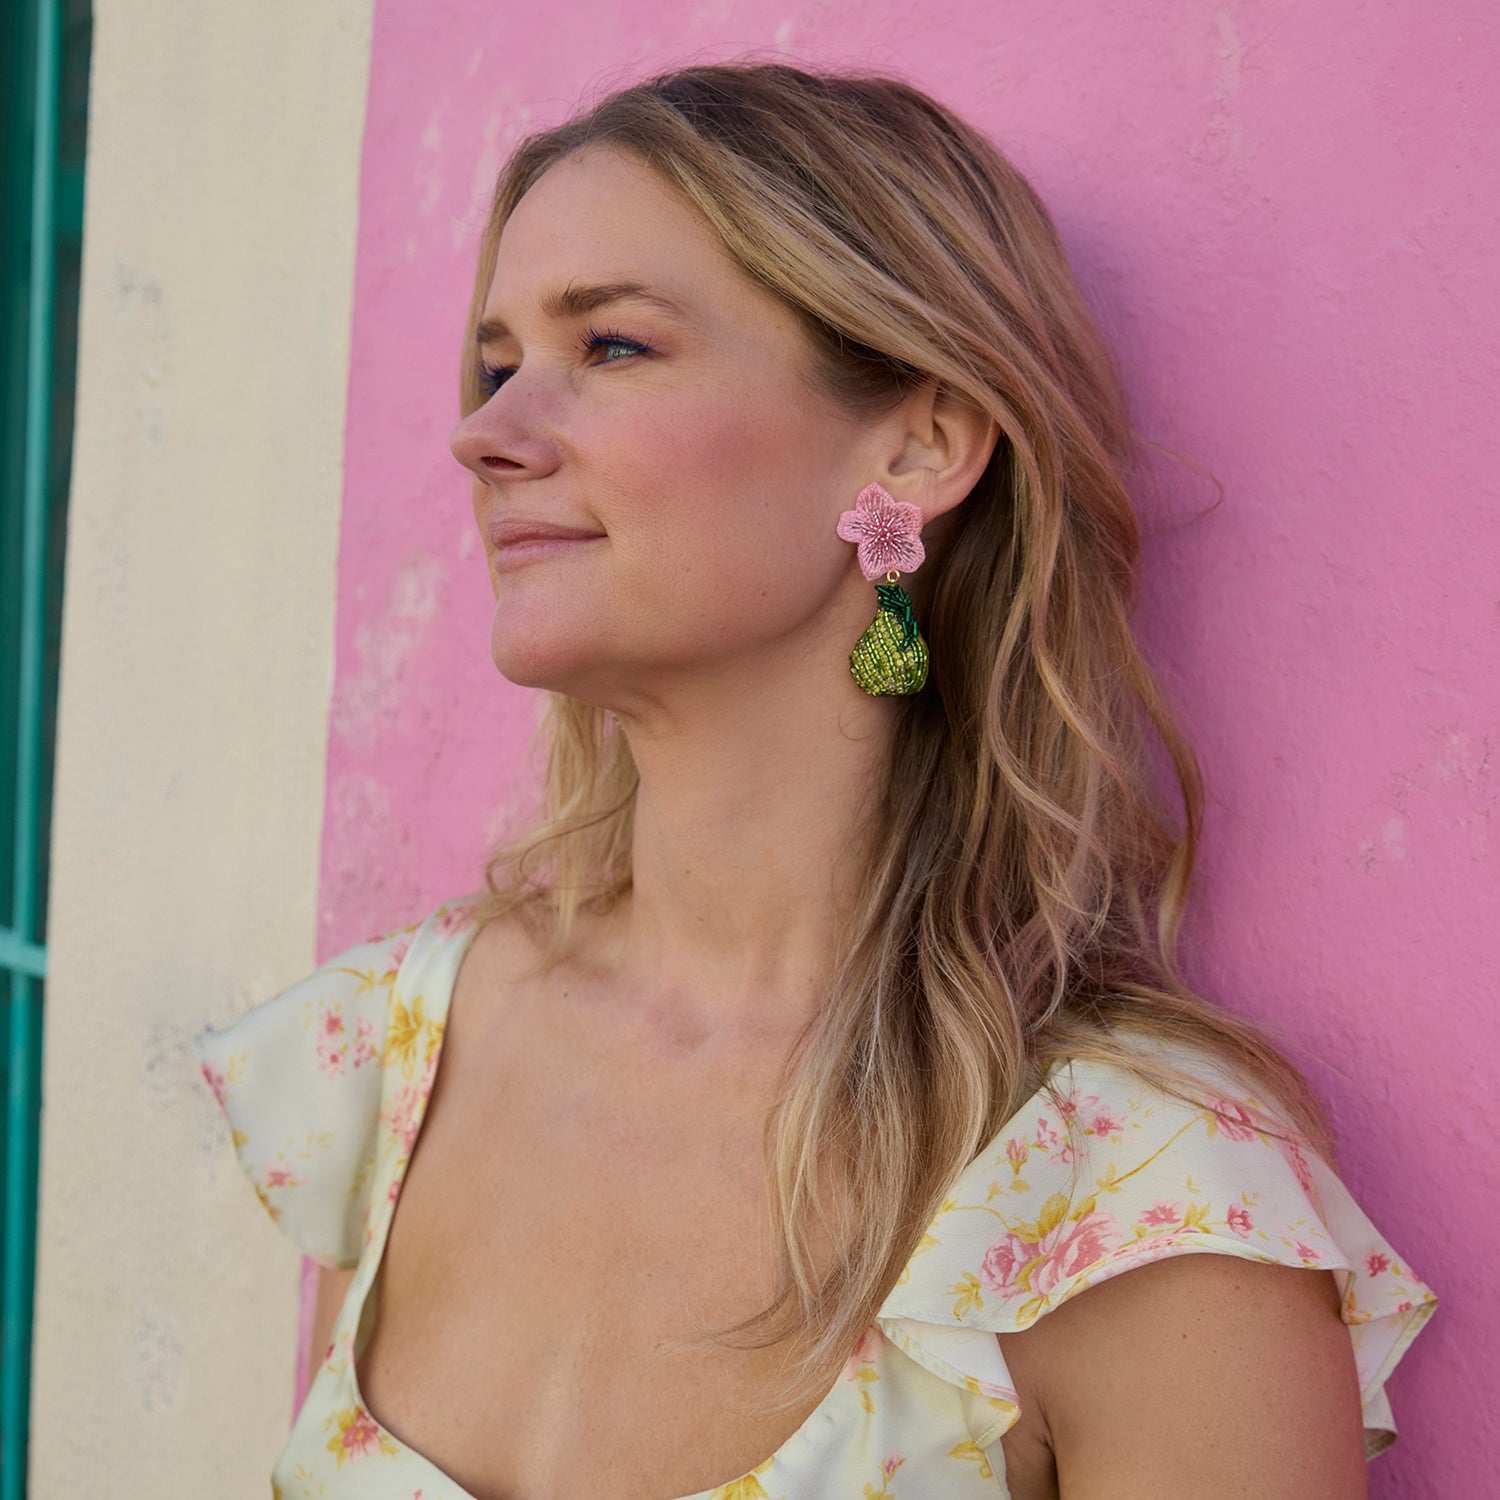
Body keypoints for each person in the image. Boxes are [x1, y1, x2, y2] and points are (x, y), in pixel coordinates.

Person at [194, 60, 1435, 1500]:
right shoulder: (398, 1052)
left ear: (917, 443)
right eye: (496, 364)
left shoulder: (1131, 1195)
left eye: (612, 346)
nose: (486, 434)